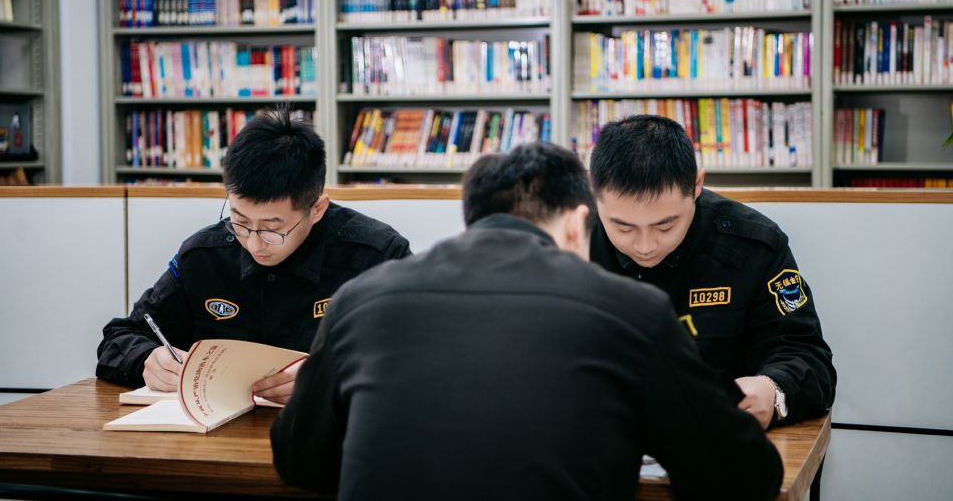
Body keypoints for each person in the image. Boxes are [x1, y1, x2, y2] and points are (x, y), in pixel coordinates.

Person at [270, 142, 783, 501]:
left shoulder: (357, 301)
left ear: (471, 219)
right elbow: (741, 476)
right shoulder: (632, 310)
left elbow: (299, 462)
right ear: (578, 223)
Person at [96, 107, 411, 404]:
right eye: (241, 221)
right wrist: (146, 360)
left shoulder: (378, 257)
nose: (254, 243)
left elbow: (420, 352)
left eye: (273, 229)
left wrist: (337, 375)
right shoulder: (203, 257)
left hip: (331, 433)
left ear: (317, 209)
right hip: (219, 431)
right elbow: (120, 337)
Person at [588, 114, 836, 428]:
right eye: (623, 228)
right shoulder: (566, 245)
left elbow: (808, 357)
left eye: (665, 226)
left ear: (696, 185)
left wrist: (772, 391)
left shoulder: (753, 246)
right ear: (593, 192)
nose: (645, 246)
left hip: (715, 438)